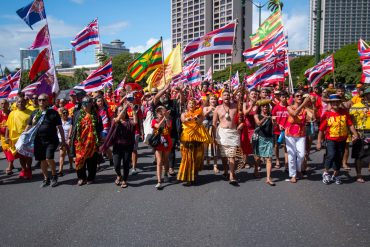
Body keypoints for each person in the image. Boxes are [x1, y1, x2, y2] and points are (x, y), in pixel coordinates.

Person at [25, 94, 66, 187]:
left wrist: (63, 140)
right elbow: (28, 126)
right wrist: (23, 135)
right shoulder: (34, 113)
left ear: (48, 101)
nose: (41, 102)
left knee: (48, 158)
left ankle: (54, 176)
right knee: (42, 160)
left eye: (43, 100)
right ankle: (46, 178)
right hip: (38, 141)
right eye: (39, 100)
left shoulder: (53, 113)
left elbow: (60, 127)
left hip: (51, 140)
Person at [317, 94, 358, 185]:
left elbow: (350, 124)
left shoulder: (344, 112)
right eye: (333, 102)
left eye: (337, 101)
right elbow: (321, 129)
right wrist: (319, 142)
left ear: (339, 103)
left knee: (339, 157)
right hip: (331, 139)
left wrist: (355, 134)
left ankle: (335, 174)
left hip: (342, 139)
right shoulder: (327, 114)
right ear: (330, 103)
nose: (335, 103)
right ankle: (326, 172)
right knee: (331, 155)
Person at [100, 103, 138, 188]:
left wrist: (134, 110)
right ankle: (119, 175)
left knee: (126, 164)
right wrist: (125, 107)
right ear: (117, 113)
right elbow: (118, 119)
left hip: (127, 146)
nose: (123, 112)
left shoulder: (129, 121)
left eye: (124, 111)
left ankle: (124, 180)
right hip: (117, 146)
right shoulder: (115, 120)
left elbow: (135, 122)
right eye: (120, 111)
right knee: (116, 165)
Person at [178, 99, 212, 185]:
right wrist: (187, 119)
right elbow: (183, 120)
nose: (192, 105)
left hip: (197, 137)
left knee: (196, 157)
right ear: (187, 105)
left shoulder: (199, 113)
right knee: (188, 158)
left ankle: (194, 174)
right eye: (190, 103)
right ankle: (189, 177)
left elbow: (201, 121)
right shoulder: (184, 114)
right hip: (187, 137)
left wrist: (197, 118)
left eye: (193, 103)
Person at [213, 90, 242, 185]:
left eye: (228, 95)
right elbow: (214, 123)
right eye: (224, 95)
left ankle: (231, 175)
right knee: (224, 156)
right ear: (221, 97)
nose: (226, 96)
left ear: (230, 97)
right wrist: (214, 137)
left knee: (232, 155)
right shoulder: (217, 108)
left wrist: (240, 125)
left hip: (233, 133)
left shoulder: (235, 106)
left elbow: (242, 116)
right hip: (222, 134)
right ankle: (226, 170)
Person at [74, 96, 103, 186]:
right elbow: (74, 127)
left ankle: (91, 177)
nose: (85, 105)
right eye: (84, 103)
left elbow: (100, 128)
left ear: (91, 104)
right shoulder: (77, 114)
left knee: (91, 161)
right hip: (80, 142)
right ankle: (81, 178)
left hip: (92, 142)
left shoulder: (96, 115)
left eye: (87, 103)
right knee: (79, 160)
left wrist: (100, 139)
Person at [285, 91, 312, 183]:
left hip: (301, 134)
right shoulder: (289, 107)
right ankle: (293, 175)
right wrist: (304, 103)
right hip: (290, 134)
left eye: (301, 96)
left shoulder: (305, 109)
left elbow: (313, 117)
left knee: (301, 155)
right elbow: (294, 114)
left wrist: (313, 105)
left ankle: (298, 169)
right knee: (291, 155)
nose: (300, 97)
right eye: (297, 96)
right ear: (294, 98)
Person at [5, 97, 33, 179]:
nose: (21, 103)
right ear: (16, 103)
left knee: (28, 155)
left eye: (22, 102)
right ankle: (24, 170)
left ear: (25, 103)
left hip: (27, 137)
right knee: (21, 156)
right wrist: (6, 136)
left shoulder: (30, 113)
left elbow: (34, 125)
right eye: (19, 102)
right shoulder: (12, 113)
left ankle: (29, 169)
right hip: (15, 138)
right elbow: (8, 126)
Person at [253, 101, 275, 186]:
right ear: (260, 108)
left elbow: (274, 126)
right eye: (263, 106)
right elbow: (258, 123)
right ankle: (256, 169)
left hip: (269, 139)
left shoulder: (271, 116)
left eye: (267, 106)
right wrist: (265, 118)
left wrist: (275, 123)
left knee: (269, 158)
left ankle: (268, 178)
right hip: (260, 138)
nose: (265, 108)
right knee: (258, 158)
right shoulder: (256, 115)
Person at [152, 106, 172, 189]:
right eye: (159, 113)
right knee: (159, 161)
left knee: (165, 160)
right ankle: (159, 181)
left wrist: (166, 117)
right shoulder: (154, 121)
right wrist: (164, 117)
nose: (161, 114)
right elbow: (157, 126)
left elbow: (169, 125)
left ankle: (166, 173)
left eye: (162, 113)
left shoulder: (167, 119)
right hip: (158, 142)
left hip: (167, 142)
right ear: (156, 114)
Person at [271, 91, 289, 171]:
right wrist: (278, 124)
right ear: (280, 98)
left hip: (286, 130)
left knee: (286, 147)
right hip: (277, 130)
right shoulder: (276, 107)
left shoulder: (289, 107)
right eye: (283, 97)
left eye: (285, 97)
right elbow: (273, 119)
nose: (284, 99)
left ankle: (286, 163)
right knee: (276, 146)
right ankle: (277, 160)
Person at [241, 88, 258, 168]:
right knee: (245, 145)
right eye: (252, 94)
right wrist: (251, 105)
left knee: (254, 145)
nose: (254, 95)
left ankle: (256, 163)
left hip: (255, 128)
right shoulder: (245, 104)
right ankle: (245, 162)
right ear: (249, 95)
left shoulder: (259, 104)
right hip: (246, 127)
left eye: (255, 94)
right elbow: (245, 113)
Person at [202, 94, 219, 173]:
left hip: (215, 128)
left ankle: (215, 165)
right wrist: (210, 110)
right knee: (206, 146)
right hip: (206, 128)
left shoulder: (219, 108)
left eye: (214, 99)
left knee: (214, 146)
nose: (213, 100)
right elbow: (204, 115)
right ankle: (207, 159)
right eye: (212, 99)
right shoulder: (206, 108)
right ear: (209, 101)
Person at [96, 96, 114, 167]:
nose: (100, 102)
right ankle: (109, 159)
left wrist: (112, 128)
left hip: (106, 130)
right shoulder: (94, 111)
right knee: (99, 147)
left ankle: (100, 163)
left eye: (101, 101)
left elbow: (112, 119)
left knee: (103, 146)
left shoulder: (107, 109)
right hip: (97, 130)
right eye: (98, 101)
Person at [0, 99, 15, 175]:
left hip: (11, 136)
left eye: (5, 103)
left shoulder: (11, 113)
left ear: (8, 105)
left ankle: (9, 167)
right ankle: (11, 164)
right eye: (2, 104)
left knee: (10, 150)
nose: (3, 105)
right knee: (5, 151)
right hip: (2, 136)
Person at [58, 107, 73, 176]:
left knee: (69, 153)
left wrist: (69, 139)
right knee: (62, 154)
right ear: (61, 114)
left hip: (69, 139)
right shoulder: (59, 121)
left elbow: (71, 129)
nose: (65, 114)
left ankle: (71, 165)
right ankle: (60, 170)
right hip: (61, 140)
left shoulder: (70, 120)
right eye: (64, 113)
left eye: (67, 113)